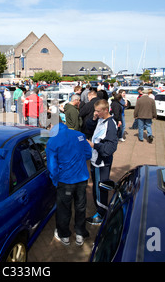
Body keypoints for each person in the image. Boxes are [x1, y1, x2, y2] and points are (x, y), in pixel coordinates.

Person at [45, 118, 92, 246]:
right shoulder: (79, 135)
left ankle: (64, 235)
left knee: (64, 208)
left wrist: (55, 180)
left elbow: (52, 166)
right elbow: (88, 153)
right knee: (81, 206)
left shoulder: (52, 141)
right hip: (81, 178)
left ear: (51, 126)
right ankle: (80, 234)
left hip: (65, 181)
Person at [86, 99, 118, 226]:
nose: (96, 113)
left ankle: (101, 214)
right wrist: (94, 118)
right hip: (95, 160)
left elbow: (110, 148)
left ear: (106, 110)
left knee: (100, 188)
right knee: (96, 186)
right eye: (95, 111)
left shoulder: (110, 124)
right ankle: (99, 209)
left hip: (102, 163)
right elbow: (89, 128)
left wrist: (94, 145)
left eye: (98, 111)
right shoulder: (100, 119)